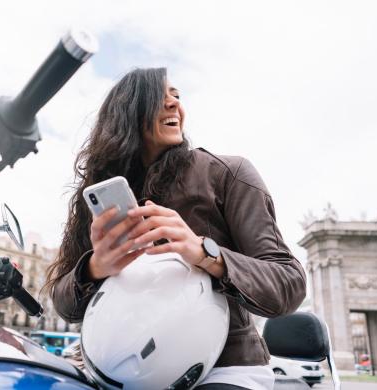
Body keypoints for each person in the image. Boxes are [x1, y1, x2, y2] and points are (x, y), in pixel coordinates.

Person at [45, 67, 306, 390]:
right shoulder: (99, 198)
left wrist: (205, 253)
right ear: (127, 111)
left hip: (222, 369)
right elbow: (63, 303)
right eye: (161, 96)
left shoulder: (229, 173)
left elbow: (289, 284)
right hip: (116, 372)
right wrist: (95, 267)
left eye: (177, 97)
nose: (174, 104)